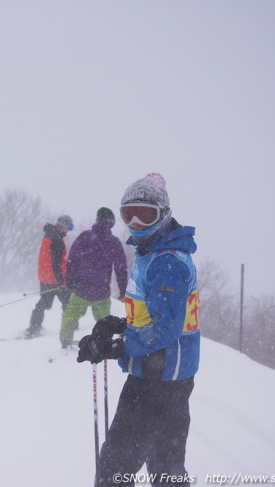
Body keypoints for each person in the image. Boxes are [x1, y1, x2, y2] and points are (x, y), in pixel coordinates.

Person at [77, 173, 200, 486]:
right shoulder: (156, 254)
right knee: (166, 467)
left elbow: (165, 330)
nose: (135, 222)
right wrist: (118, 324)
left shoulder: (165, 261)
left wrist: (119, 346)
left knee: (114, 469)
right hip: (172, 379)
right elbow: (160, 312)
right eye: (128, 213)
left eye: (145, 215)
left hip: (155, 380)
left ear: (164, 214)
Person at [59, 207, 128, 349]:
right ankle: (104, 343)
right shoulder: (114, 242)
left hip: (81, 289)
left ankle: (65, 342)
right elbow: (121, 269)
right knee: (104, 321)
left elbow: (72, 260)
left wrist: (70, 282)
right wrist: (123, 291)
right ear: (112, 223)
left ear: (97, 220)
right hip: (101, 292)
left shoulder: (85, 237)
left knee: (70, 316)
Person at [24, 215, 74, 339]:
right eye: (70, 227)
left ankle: (34, 328)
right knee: (68, 302)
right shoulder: (56, 239)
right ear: (64, 226)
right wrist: (60, 281)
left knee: (44, 303)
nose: (69, 230)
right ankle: (71, 327)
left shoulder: (49, 235)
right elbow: (56, 263)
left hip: (45, 276)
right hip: (54, 278)